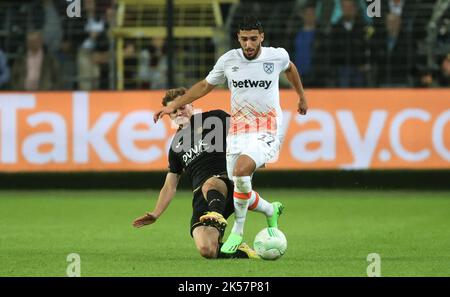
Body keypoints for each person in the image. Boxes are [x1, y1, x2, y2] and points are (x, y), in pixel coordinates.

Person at [153, 16, 308, 255]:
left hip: (267, 126)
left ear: (262, 37)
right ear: (238, 38)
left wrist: (301, 96)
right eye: (244, 39)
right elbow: (204, 86)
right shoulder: (228, 61)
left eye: (253, 39)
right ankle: (269, 209)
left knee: (241, 170)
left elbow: (291, 69)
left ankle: (237, 230)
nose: (248, 44)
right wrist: (174, 106)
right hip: (239, 130)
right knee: (240, 186)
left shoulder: (276, 56)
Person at [133, 88, 265, 259]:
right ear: (169, 115)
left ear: (192, 105)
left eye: (182, 106)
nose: (179, 112)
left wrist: (256, 157)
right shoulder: (175, 146)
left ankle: (217, 215)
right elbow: (170, 185)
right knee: (207, 250)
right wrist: (156, 213)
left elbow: (245, 132)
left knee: (211, 183)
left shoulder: (215, 118)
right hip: (201, 198)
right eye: (174, 110)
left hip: (226, 182)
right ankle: (243, 252)